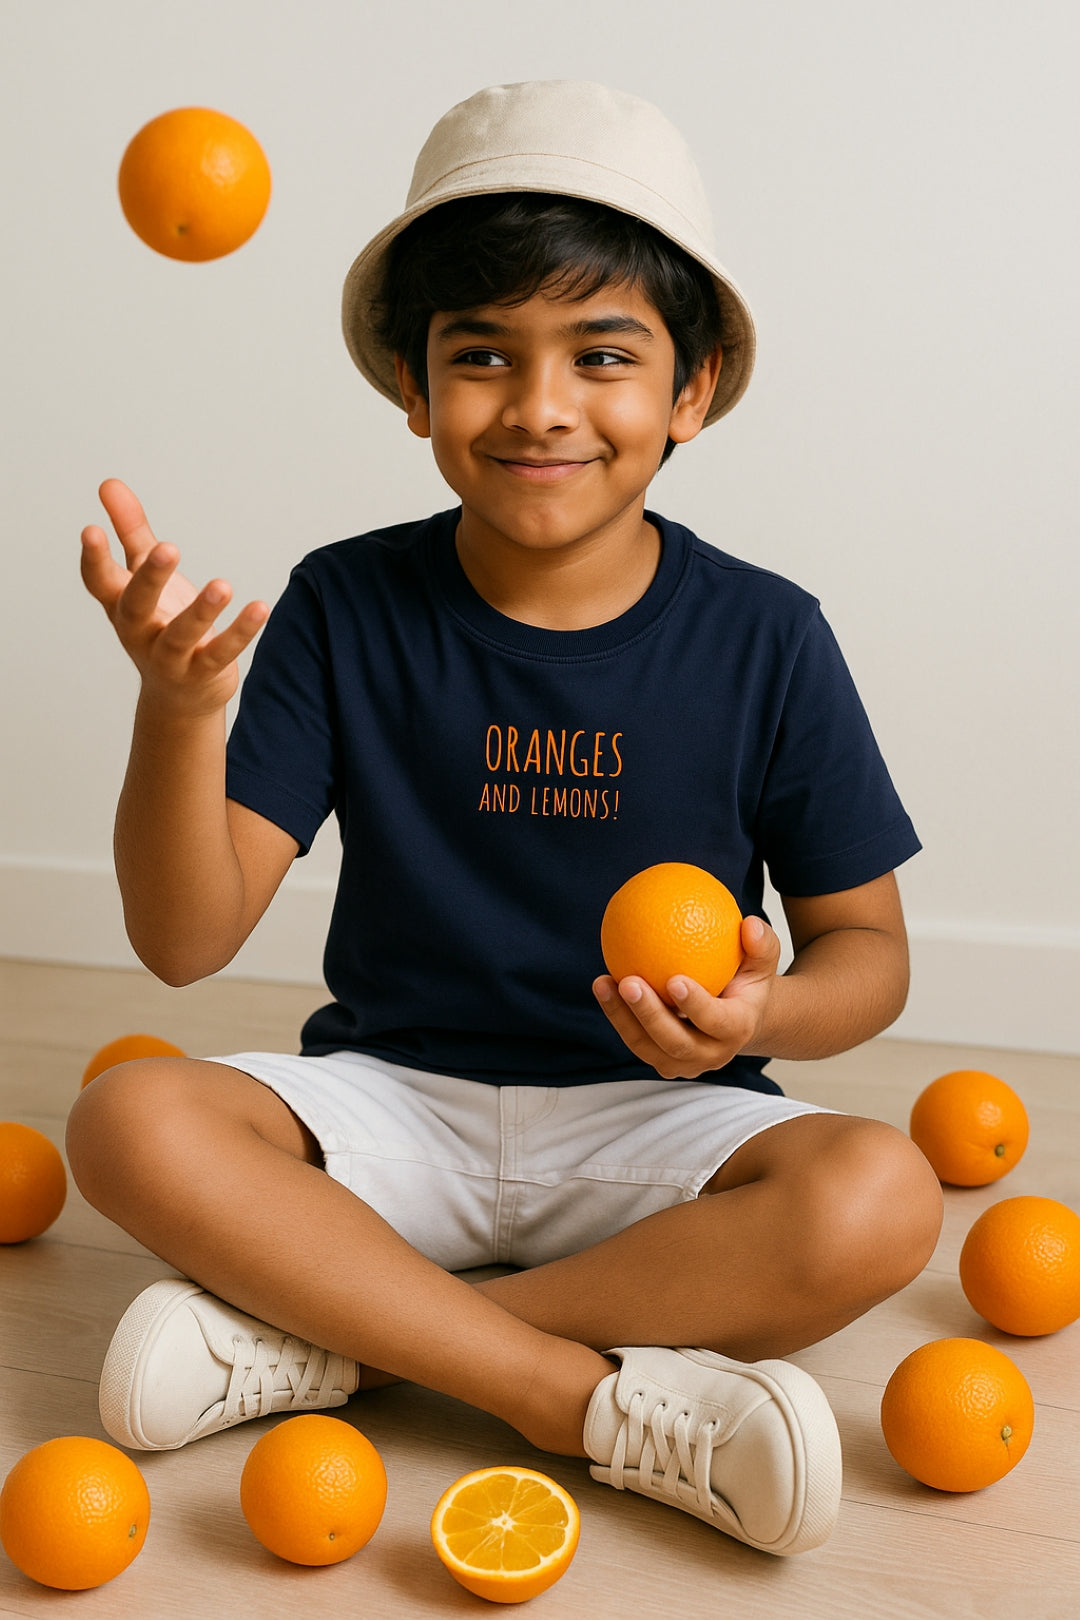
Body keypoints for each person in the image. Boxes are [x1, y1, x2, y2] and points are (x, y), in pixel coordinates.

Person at [69, 80, 943, 1558]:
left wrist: (757, 1018)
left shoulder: (768, 637)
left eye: (603, 355)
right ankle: (557, 1388)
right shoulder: (348, 601)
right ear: (413, 389)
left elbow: (870, 955)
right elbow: (180, 941)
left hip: (656, 1124)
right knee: (128, 1116)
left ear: (693, 388)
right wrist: (178, 709)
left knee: (880, 1197)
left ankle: (340, 1341)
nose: (539, 406)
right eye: (481, 356)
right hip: (392, 1106)